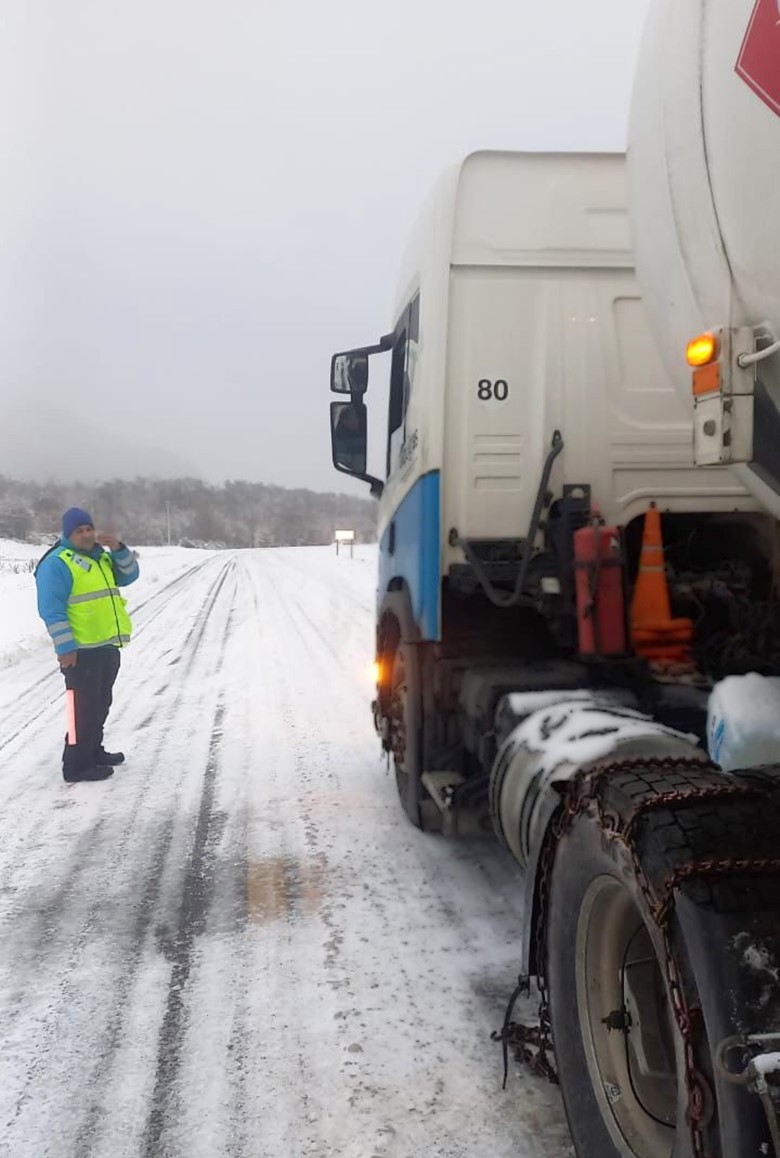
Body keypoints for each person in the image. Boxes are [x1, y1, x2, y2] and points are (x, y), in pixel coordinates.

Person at [35, 507, 140, 783]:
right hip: (80, 652)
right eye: (79, 531)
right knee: (79, 710)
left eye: (88, 529)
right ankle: (76, 766)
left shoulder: (100, 558)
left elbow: (129, 575)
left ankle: (93, 751)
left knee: (100, 704)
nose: (86, 534)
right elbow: (51, 609)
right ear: (67, 534)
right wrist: (65, 648)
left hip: (105, 647)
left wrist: (118, 548)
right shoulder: (58, 563)